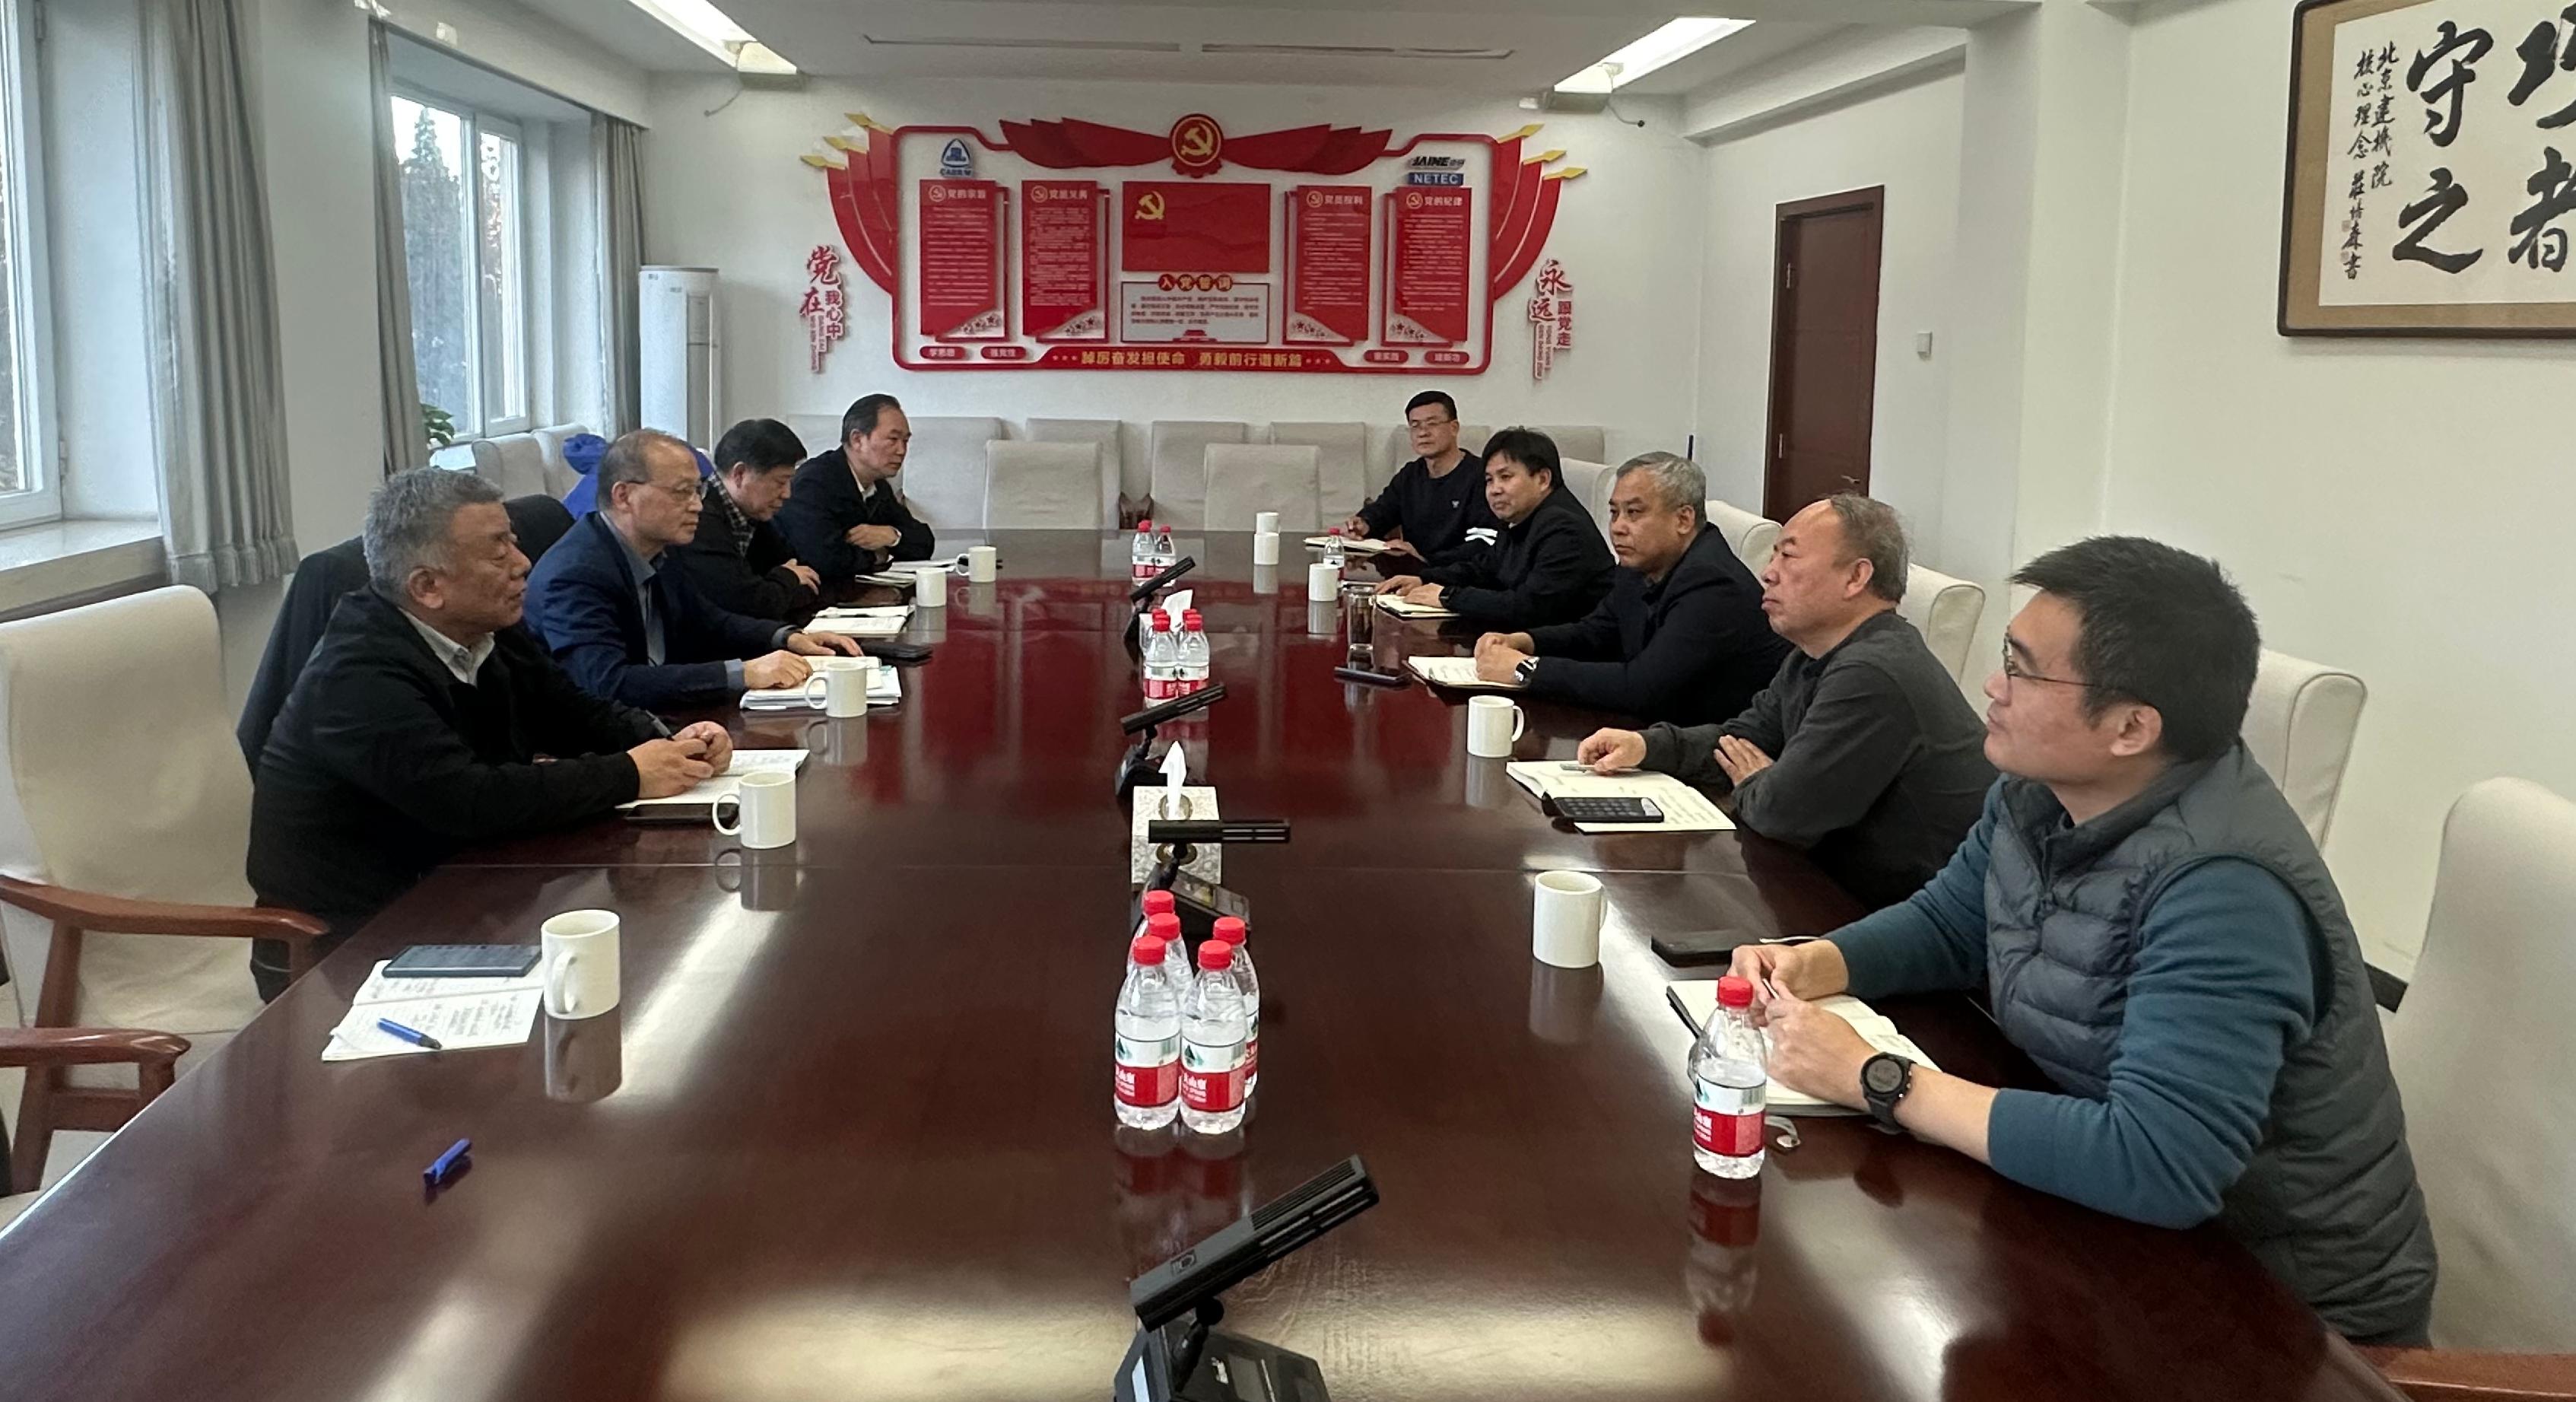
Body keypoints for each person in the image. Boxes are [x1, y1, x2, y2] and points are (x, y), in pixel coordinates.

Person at [1728, 536, 2435, 1343]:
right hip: (2114, 1235)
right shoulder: (2039, 790)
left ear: (2131, 726)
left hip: (2282, 1314)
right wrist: (1814, 960)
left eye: (2023, 670)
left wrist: (1877, 1078)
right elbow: (1952, 923)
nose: (1992, 685)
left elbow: (2159, 1162)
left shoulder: (2223, 889)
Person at [246, 469, 729, 1000]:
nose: (523, 563)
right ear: (428, 587)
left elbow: (574, 714)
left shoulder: (487, 629)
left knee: (642, 963)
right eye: (498, 553)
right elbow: (469, 799)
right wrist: (630, 773)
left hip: (461, 886)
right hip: (348, 941)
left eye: (513, 541)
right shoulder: (356, 677)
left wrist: (673, 741)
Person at [1576, 494, 1993, 907]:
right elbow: (1741, 741)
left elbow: (1781, 814)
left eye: (1788, 557)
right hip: (1837, 885)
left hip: (1910, 915)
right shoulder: (1813, 653)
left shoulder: (1873, 672)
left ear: (1856, 577)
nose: (1768, 573)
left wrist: (1757, 782)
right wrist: (1648, 746)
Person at [526, 430, 860, 711]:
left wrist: (787, 637)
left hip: (658, 715)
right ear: (624, 496)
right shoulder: (576, 575)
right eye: (682, 492)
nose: (698, 505)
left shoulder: (658, 549)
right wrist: (742, 673)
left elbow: (708, 621)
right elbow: (609, 683)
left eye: (698, 490)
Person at [1472, 452, 1784, 724]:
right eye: (1614, 512)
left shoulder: (1713, 585)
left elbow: (1642, 688)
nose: (1618, 527)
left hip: (1712, 749)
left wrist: (1527, 669)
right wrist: (1526, 641)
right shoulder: (1640, 565)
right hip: (1654, 730)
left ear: (1684, 520)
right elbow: (1597, 632)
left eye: (1634, 513)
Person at [1374, 427, 1611, 631]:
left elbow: (1529, 607)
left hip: (1571, 656)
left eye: (1505, 477)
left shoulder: (1564, 529)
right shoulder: (1522, 517)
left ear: (1543, 479)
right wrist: (1424, 579)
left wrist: (1447, 596)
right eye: (1489, 480)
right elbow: (1485, 569)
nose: (1495, 489)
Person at [672, 418, 823, 622]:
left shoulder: (754, 514)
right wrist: (786, 579)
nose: (787, 494)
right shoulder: (700, 520)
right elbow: (749, 604)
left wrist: (778, 586)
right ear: (740, 474)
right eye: (780, 482)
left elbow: (809, 581)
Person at [775, 393, 936, 580]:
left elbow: (924, 543)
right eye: (893, 439)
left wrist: (892, 536)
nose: (902, 451)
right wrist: (878, 556)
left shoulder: (878, 486)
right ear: (857, 440)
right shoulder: (813, 484)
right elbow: (825, 560)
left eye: (905, 441)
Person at [1343, 390, 1498, 566]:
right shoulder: (1411, 474)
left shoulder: (1482, 476)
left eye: (1432, 424)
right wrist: (1364, 524)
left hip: (1463, 576)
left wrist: (1426, 559)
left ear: (1454, 428)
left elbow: (1484, 542)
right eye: (1415, 426)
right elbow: (1383, 511)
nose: (1423, 433)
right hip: (1415, 574)